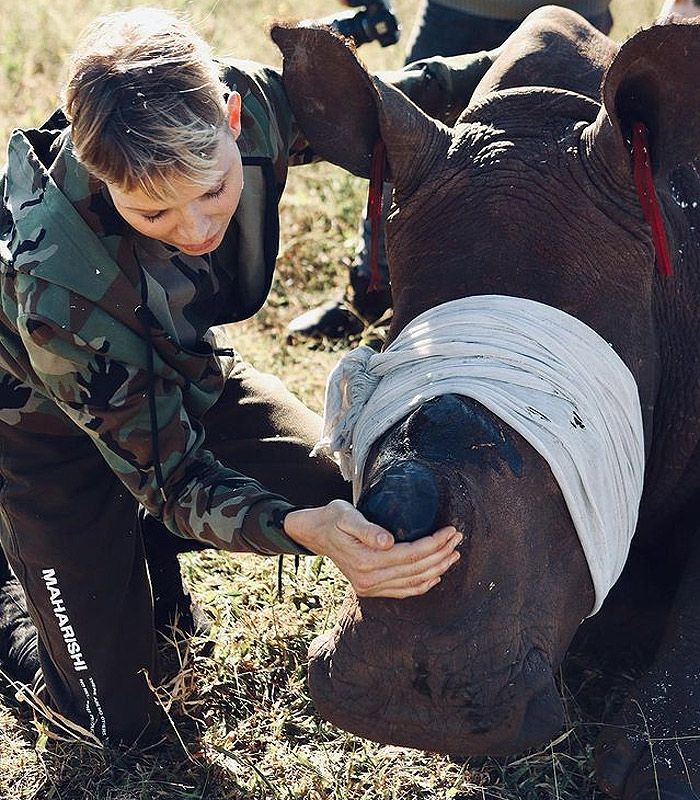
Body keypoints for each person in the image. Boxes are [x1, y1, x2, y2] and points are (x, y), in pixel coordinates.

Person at [0, 8, 468, 745]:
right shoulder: (58, 284)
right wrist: (298, 530)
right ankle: (22, 568)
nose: (194, 230)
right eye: (153, 212)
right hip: (46, 436)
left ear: (233, 116)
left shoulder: (246, 106)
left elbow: (393, 110)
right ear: (97, 173)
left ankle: (130, 554)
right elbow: (172, 482)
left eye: (212, 191)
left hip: (180, 379)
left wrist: (538, 72)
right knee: (112, 727)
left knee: (367, 495)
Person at [287, 0, 613, 339]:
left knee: (560, 170)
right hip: (456, 11)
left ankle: (536, 310)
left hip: (573, 18)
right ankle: (375, 294)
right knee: (400, 142)